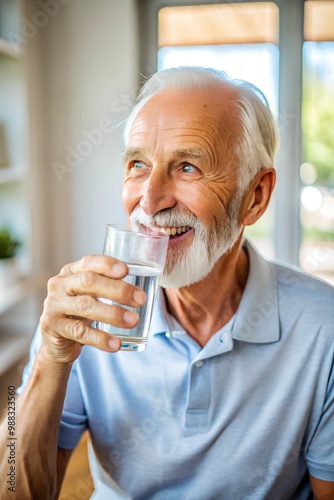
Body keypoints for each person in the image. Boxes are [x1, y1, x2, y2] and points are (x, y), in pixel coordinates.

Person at [0, 66, 333, 500]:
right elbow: (14, 487)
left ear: (255, 196)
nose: (151, 201)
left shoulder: (324, 328)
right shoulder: (84, 312)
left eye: (188, 167)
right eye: (138, 164)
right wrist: (48, 360)